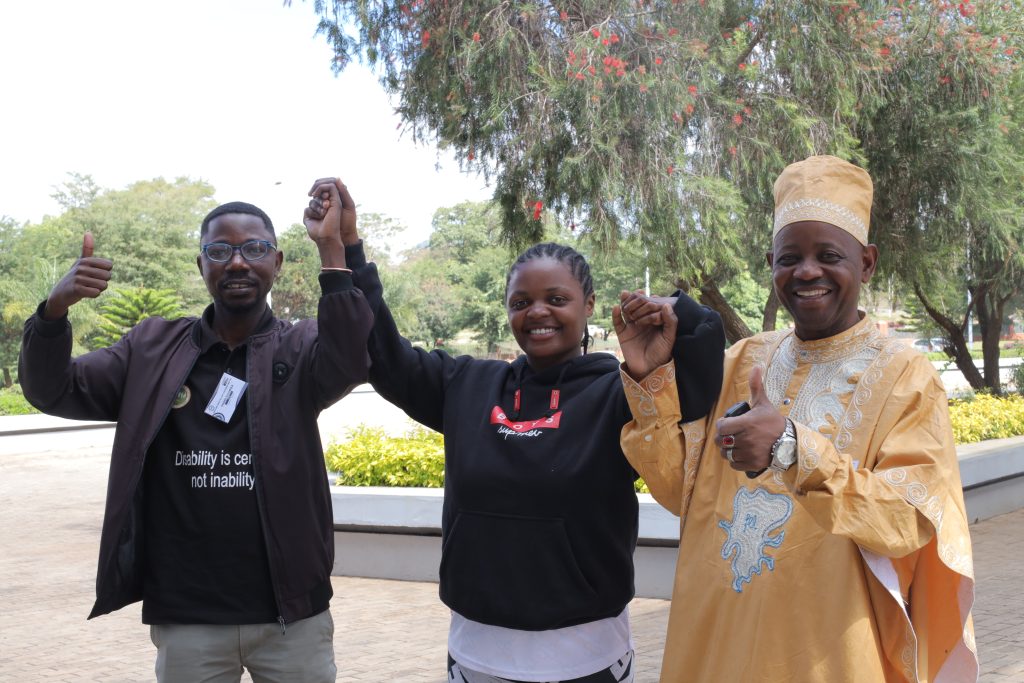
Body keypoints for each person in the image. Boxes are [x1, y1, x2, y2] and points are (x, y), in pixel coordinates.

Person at [306, 180, 724, 683]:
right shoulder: (466, 385)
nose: (537, 312)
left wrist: (681, 313)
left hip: (586, 656)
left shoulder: (620, 393)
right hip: (477, 653)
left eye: (556, 298)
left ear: (588, 305)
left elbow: (699, 395)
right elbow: (383, 357)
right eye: (521, 301)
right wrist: (345, 247)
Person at [617, 155, 977, 682]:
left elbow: (910, 522)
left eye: (828, 255)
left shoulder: (906, 375)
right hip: (718, 641)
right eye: (790, 257)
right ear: (771, 264)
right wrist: (649, 379)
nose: (806, 271)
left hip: (830, 651)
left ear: (868, 262)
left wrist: (792, 448)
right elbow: (680, 493)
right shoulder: (742, 360)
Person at [19, 180, 372, 682]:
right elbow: (54, 389)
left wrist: (332, 247)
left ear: (278, 263)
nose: (237, 262)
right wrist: (52, 314)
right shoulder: (153, 348)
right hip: (188, 614)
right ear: (200, 264)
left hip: (290, 613)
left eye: (255, 248)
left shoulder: (301, 348)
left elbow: (352, 356)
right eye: (219, 250)